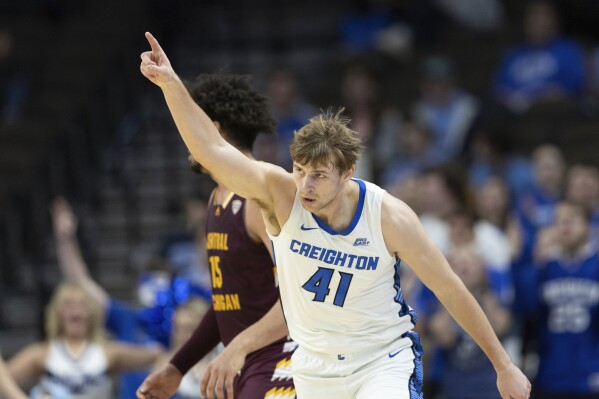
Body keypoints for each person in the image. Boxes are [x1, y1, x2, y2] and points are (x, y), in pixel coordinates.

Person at [139, 32, 531, 399]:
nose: (305, 186)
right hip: (314, 367)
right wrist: (172, 85)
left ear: (348, 173)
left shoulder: (389, 216)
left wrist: (503, 364)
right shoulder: (282, 195)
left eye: (319, 176)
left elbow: (449, 288)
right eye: (300, 171)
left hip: (382, 360)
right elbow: (211, 150)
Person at [137, 73, 296, 399]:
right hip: (245, 364)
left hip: (284, 362)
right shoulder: (216, 201)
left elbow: (300, 298)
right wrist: (177, 367)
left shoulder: (257, 199)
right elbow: (226, 305)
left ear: (213, 129)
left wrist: (237, 347)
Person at [7, 283, 163, 398]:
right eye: (68, 305)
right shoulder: (41, 353)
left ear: (92, 313)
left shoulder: (108, 352)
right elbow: (4, 378)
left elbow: (159, 355)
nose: (76, 310)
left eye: (82, 305)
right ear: (58, 314)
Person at [522, 201, 599, 398]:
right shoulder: (544, 267)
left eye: (572, 219)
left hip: (591, 374)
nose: (565, 226)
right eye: (560, 221)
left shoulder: (595, 264)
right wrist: (537, 262)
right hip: (551, 374)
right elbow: (527, 309)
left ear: (588, 226)